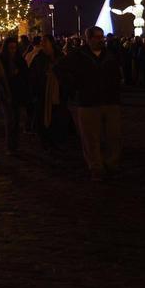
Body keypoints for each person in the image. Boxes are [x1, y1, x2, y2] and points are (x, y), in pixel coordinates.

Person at [55, 26, 123, 181]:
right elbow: (59, 68)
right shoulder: (78, 55)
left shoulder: (109, 54)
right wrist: (75, 86)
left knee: (114, 135)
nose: (101, 40)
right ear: (89, 39)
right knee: (90, 137)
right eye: (97, 37)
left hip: (110, 100)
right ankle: (96, 167)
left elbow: (117, 72)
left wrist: (116, 85)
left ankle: (111, 163)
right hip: (88, 101)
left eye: (102, 37)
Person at [27, 35, 63, 151]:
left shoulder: (59, 56)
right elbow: (33, 76)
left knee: (56, 116)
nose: (42, 44)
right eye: (41, 42)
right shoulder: (38, 58)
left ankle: (56, 138)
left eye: (45, 42)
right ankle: (45, 140)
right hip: (42, 93)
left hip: (57, 92)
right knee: (42, 117)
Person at [0, 38, 29, 155]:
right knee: (9, 120)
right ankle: (9, 146)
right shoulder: (2, 60)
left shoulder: (20, 60)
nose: (12, 50)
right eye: (10, 48)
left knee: (16, 120)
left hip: (17, 93)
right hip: (6, 93)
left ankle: (15, 145)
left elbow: (26, 74)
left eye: (14, 48)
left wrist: (19, 74)